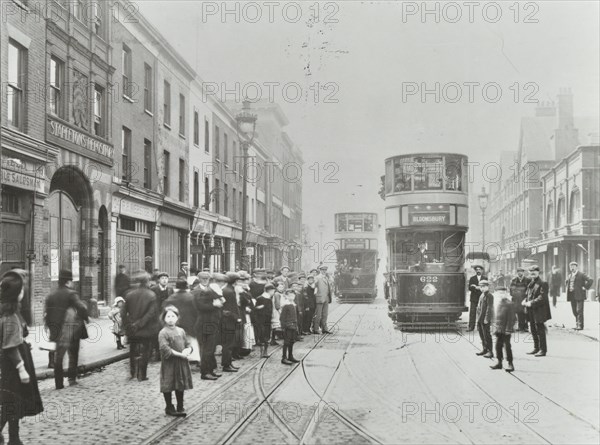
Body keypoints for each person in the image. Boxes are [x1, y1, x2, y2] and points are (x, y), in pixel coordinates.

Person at [0, 270, 43, 444]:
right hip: (13, 365)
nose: (23, 294)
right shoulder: (10, 316)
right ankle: (14, 440)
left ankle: (14, 439)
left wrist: (24, 344)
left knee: (12, 402)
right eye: (22, 291)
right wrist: (21, 369)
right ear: (15, 294)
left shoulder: (10, 312)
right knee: (13, 401)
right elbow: (10, 347)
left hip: (12, 362)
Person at [45, 269, 89, 389]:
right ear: (68, 282)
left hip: (56, 330)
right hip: (71, 329)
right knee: (73, 355)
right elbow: (82, 308)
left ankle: (58, 384)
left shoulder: (51, 295)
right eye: (71, 281)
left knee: (58, 357)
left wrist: (51, 328)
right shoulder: (71, 294)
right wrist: (85, 318)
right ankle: (71, 379)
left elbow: (47, 315)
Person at [122, 271, 161, 381]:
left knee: (132, 351)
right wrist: (139, 324)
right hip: (146, 329)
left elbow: (123, 313)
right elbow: (151, 314)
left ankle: (132, 372)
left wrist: (128, 325)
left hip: (132, 330)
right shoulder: (151, 295)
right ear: (147, 282)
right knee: (145, 352)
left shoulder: (129, 295)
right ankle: (142, 375)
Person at [158, 305, 193, 417]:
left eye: (173, 316)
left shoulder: (181, 331)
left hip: (181, 363)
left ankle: (180, 406)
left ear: (177, 318)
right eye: (168, 316)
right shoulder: (163, 333)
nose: (171, 318)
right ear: (164, 318)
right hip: (169, 363)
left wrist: (188, 349)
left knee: (180, 383)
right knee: (168, 383)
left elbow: (188, 343)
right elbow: (165, 348)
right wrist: (180, 355)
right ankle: (169, 406)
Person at [193, 274, 223, 381]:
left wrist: (220, 301)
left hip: (212, 322)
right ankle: (205, 372)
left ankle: (210, 370)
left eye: (207, 279)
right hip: (204, 323)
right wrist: (214, 305)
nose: (205, 281)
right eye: (203, 279)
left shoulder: (209, 289)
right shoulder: (196, 291)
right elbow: (200, 306)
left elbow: (219, 298)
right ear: (199, 279)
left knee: (211, 348)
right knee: (206, 349)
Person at [163, 280, 200, 366]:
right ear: (186, 286)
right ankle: (193, 358)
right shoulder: (191, 297)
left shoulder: (171, 298)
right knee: (191, 341)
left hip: (176, 324)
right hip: (190, 324)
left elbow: (165, 311)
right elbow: (196, 311)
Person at [523, 266, 551, 357]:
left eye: (535, 271)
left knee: (540, 330)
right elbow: (528, 295)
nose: (532, 273)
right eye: (531, 271)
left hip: (539, 310)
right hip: (530, 310)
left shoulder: (543, 283)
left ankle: (543, 350)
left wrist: (531, 303)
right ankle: (536, 348)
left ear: (539, 272)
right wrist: (525, 300)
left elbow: (542, 298)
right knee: (533, 329)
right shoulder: (530, 283)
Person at [490, 287, 516, 372]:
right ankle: (499, 363)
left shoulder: (509, 304)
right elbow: (496, 317)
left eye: (503, 293)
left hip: (506, 329)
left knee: (507, 346)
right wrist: (494, 328)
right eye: (499, 293)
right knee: (498, 346)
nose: (501, 294)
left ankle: (510, 364)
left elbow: (512, 318)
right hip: (499, 329)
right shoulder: (497, 303)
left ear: (506, 293)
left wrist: (508, 329)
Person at [565, 261, 593, 330]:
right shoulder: (569, 275)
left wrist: (585, 287)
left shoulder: (581, 274)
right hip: (572, 296)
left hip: (580, 295)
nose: (572, 268)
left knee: (579, 310)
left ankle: (580, 325)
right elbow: (567, 283)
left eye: (573, 266)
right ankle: (577, 324)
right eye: (571, 266)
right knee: (574, 311)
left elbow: (590, 280)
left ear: (576, 267)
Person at [255, 283, 275, 358]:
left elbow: (270, 310)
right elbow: (255, 308)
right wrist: (258, 308)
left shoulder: (269, 299)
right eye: (273, 291)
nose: (273, 292)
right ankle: (262, 352)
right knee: (262, 335)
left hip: (268, 320)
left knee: (267, 334)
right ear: (269, 291)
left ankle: (265, 352)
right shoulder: (260, 298)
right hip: (261, 320)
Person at [280, 290, 300, 365]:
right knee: (286, 342)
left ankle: (290, 356)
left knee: (292, 341)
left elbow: (296, 316)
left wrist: (296, 325)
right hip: (288, 326)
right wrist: (283, 327)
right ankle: (284, 357)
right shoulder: (286, 305)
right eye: (290, 295)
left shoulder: (294, 304)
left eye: (293, 295)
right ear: (286, 296)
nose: (292, 297)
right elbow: (282, 317)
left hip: (294, 325)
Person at [475, 280, 494, 359]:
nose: (482, 288)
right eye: (481, 287)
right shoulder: (482, 295)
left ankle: (490, 351)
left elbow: (489, 308)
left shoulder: (489, 295)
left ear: (487, 287)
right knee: (482, 335)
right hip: (480, 319)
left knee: (487, 335)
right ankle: (484, 349)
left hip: (485, 319)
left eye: (483, 287)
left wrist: (487, 318)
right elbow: (479, 307)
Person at [312, 265, 333, 334]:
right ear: (320, 270)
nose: (324, 271)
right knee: (318, 314)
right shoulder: (317, 278)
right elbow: (313, 286)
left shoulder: (326, 278)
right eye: (322, 270)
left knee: (325, 314)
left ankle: (324, 328)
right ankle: (315, 329)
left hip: (326, 298)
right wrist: (316, 294)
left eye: (325, 270)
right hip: (320, 298)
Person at [510, 267, 530, 332]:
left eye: (521, 271)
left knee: (525, 312)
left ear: (523, 272)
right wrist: (516, 294)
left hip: (525, 298)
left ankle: (525, 327)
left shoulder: (527, 280)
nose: (519, 273)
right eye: (518, 271)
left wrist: (526, 297)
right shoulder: (514, 280)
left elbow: (529, 290)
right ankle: (520, 327)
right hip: (516, 299)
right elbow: (511, 290)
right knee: (518, 313)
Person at [467, 265, 487, 331]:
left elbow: (486, 287)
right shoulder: (472, 278)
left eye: (479, 269)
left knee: (481, 312)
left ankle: (480, 327)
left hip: (482, 298)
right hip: (474, 298)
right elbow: (469, 288)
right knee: (472, 312)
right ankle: (471, 327)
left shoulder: (485, 278)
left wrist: (477, 287)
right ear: (475, 271)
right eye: (477, 269)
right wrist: (475, 288)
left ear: (482, 270)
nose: (478, 270)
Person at [270, 280, 284, 346]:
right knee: (275, 325)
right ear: (277, 288)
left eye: (282, 287)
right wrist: (280, 311)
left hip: (278, 310)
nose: (281, 288)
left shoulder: (280, 294)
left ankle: (274, 339)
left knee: (276, 325)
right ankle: (273, 339)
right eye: (280, 287)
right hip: (276, 311)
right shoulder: (276, 294)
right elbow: (277, 304)